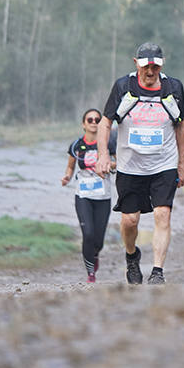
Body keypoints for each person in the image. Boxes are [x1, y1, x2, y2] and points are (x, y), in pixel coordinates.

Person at [95, 42, 184, 284]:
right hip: (130, 165)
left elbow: (181, 125)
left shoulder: (173, 88)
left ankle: (157, 271)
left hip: (164, 164)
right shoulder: (123, 87)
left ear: (162, 64)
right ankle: (131, 256)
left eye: (155, 67)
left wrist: (183, 164)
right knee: (130, 220)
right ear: (135, 62)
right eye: (146, 66)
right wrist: (104, 155)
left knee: (162, 214)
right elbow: (106, 122)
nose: (150, 71)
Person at [60, 108, 115, 283]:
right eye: (89, 120)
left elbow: (117, 163)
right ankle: (90, 273)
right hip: (83, 195)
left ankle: (95, 254)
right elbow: (70, 166)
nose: (93, 122)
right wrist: (67, 176)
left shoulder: (107, 144)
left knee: (98, 240)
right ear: (83, 124)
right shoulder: (76, 145)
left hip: (103, 196)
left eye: (97, 120)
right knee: (88, 234)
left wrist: (108, 164)